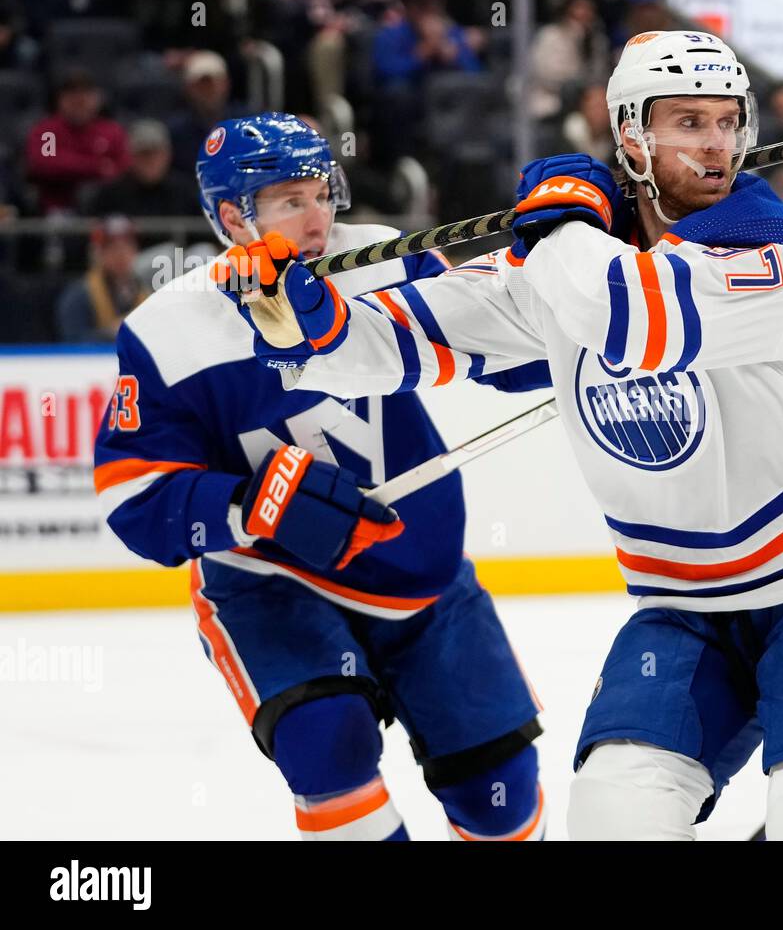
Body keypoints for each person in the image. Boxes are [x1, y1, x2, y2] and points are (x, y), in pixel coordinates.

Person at [224, 32, 783, 841]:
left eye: (728, 122)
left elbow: (630, 318)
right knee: (615, 816)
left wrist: (559, 223)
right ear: (630, 133)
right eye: (687, 122)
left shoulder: (767, 242)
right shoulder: (570, 261)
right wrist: (308, 320)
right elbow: (420, 334)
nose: (716, 144)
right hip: (685, 605)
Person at [93, 113, 550, 842]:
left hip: (418, 569)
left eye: (321, 193)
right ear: (234, 216)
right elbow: (134, 500)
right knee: (326, 743)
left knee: (496, 788)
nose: (317, 218)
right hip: (271, 583)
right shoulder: (167, 330)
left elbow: (510, 344)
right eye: (290, 202)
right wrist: (252, 506)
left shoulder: (388, 260)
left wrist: (573, 285)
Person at [24, 68, 130, 213]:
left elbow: (123, 168)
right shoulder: (48, 130)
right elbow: (44, 164)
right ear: (60, 99)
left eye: (85, 94)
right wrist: (96, 166)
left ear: (97, 98)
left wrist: (67, 163)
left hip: (105, 210)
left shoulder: (111, 131)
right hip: (57, 207)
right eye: (72, 95)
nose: (79, 101)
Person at [57, 216, 151, 343]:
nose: (120, 254)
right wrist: (111, 333)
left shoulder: (146, 290)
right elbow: (73, 341)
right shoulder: (79, 295)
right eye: (112, 248)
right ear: (98, 252)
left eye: (126, 246)